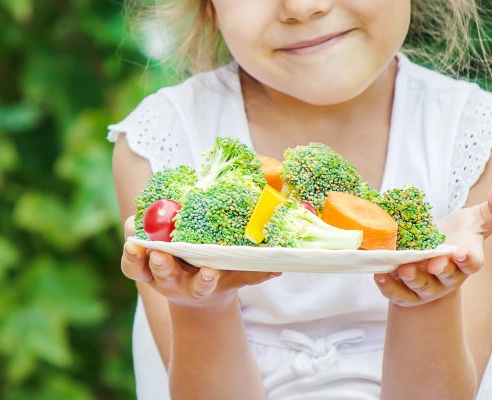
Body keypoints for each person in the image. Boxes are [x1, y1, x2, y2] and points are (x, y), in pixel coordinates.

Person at [109, 1, 492, 398]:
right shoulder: (165, 144)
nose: (305, 7)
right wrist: (202, 305)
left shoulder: (473, 139)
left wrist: (428, 296)